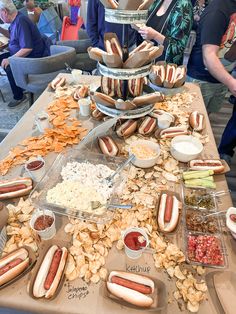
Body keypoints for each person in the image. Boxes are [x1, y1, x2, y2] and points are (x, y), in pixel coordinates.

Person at [187, 0, 236, 113]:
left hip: (222, 77)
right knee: (191, 120)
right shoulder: (218, 9)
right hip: (201, 79)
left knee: (205, 119)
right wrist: (231, 82)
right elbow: (209, 55)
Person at [0, 0, 51, 108]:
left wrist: (10, 59)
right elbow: (12, 36)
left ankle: (19, 96)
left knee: (8, 65)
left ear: (4, 11)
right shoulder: (15, 20)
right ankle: (19, 83)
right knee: (2, 59)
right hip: (25, 54)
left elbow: (27, 48)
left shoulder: (21, 21)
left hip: (33, 58)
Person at [138, 0, 193, 65]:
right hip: (146, 63)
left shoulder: (184, 5)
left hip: (164, 68)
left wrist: (155, 36)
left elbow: (178, 48)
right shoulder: (157, 1)